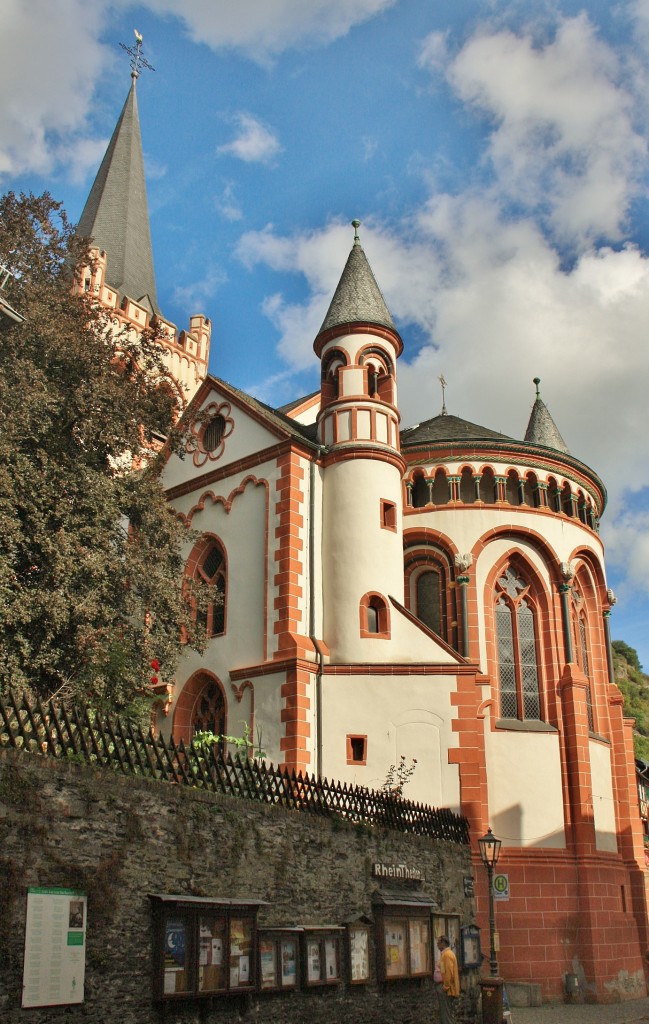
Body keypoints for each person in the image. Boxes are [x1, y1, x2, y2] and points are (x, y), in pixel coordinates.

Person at [435, 935, 459, 1024]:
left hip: (446, 989)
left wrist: (445, 987)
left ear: (443, 943)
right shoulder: (445, 954)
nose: (437, 944)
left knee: (446, 1014)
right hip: (444, 987)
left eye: (438, 943)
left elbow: (449, 973)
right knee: (445, 1013)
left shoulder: (447, 955)